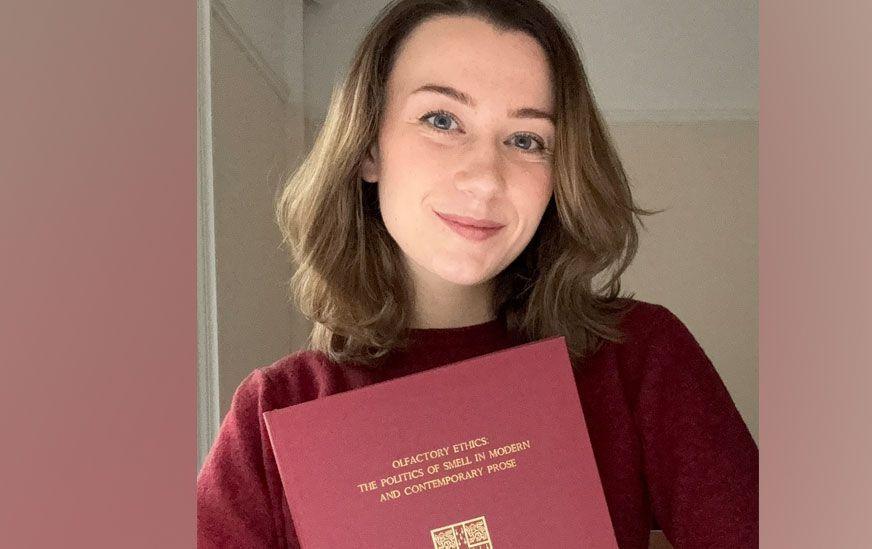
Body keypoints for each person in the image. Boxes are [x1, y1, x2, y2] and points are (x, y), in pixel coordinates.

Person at [196, 1, 758, 547]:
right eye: (442, 120)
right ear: (369, 147)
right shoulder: (276, 412)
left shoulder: (637, 359)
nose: (486, 177)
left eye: (526, 139)